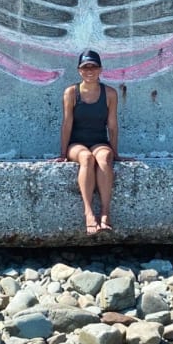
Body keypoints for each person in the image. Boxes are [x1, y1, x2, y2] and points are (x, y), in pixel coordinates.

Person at [59, 50, 119, 235]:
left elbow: (113, 125)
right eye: (85, 67)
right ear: (79, 71)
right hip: (76, 144)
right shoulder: (71, 92)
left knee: (105, 157)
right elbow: (67, 124)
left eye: (93, 67)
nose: (90, 71)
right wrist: (62, 154)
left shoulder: (109, 93)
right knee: (86, 159)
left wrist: (116, 153)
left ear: (100, 69)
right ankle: (88, 212)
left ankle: (105, 213)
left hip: (99, 141)